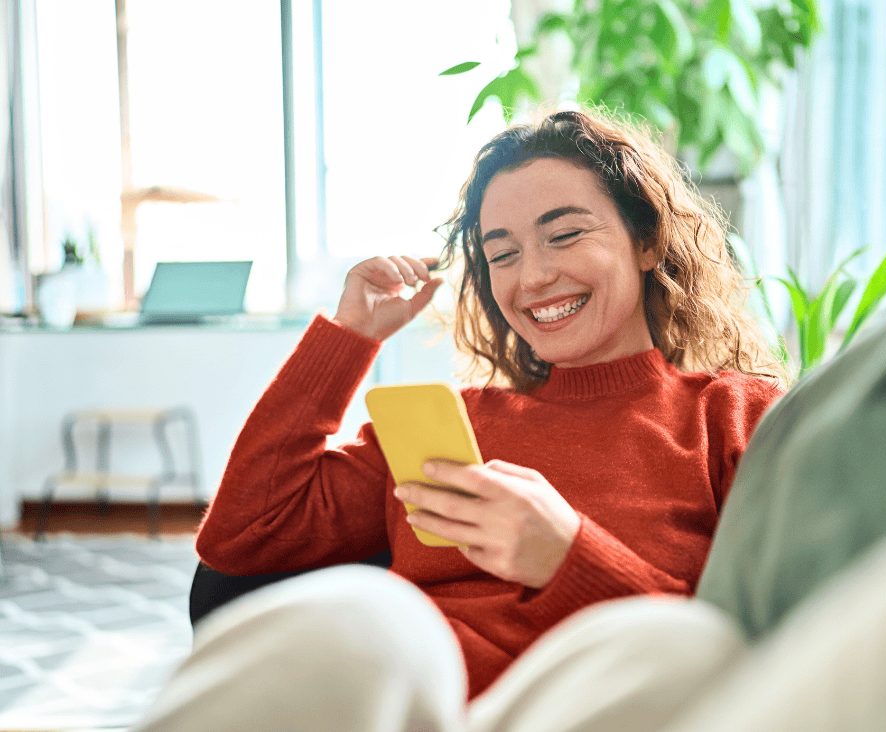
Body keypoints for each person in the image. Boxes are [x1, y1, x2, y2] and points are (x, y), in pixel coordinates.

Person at [136, 109, 785, 731]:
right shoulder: (457, 424)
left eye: (565, 235)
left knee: (686, 647)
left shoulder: (733, 416)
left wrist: (569, 559)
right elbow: (243, 538)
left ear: (646, 242)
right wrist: (348, 338)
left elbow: (758, 650)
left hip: (599, 708)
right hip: (423, 711)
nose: (534, 276)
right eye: (503, 255)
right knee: (374, 614)